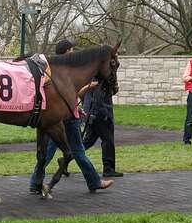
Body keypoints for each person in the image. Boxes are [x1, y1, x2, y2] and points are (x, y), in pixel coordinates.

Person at [29, 40, 112, 194]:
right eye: (72, 50)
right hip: (67, 117)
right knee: (77, 151)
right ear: (67, 51)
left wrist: (78, 109)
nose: (73, 52)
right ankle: (94, 182)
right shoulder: (67, 71)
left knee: (50, 151)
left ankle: (35, 182)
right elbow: (71, 95)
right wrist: (88, 88)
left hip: (62, 116)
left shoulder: (54, 69)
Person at [82, 75, 123, 178]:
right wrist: (104, 114)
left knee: (88, 141)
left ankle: (66, 159)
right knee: (108, 140)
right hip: (100, 114)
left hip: (91, 113)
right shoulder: (99, 78)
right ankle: (108, 169)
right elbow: (98, 98)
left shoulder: (90, 75)